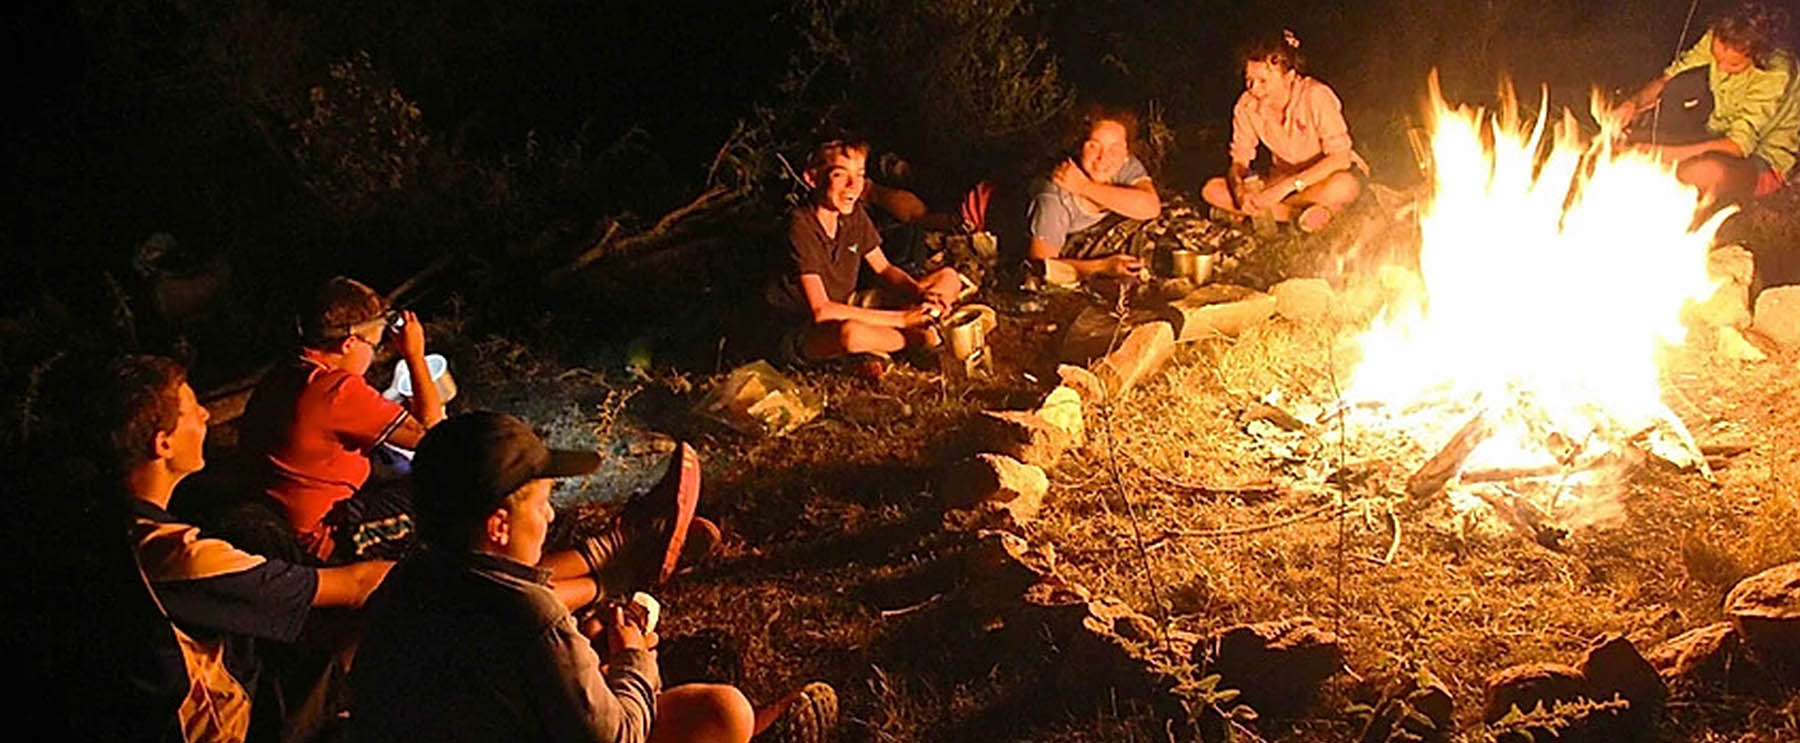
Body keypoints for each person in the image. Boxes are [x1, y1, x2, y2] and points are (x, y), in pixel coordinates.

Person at [348, 411, 839, 743]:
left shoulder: (409, 582)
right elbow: (617, 736)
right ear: (499, 525)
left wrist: (580, 646)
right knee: (725, 712)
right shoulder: (528, 613)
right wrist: (633, 656)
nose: (548, 517)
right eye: (542, 505)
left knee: (717, 712)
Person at [107, 355, 396, 741]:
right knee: (370, 617)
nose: (207, 416)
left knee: (253, 525)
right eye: (193, 410)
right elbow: (356, 586)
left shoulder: (117, 522)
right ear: (163, 443)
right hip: (223, 726)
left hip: (190, 680)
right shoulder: (177, 556)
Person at [237, 275, 445, 563]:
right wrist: (415, 356)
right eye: (373, 346)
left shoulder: (286, 373)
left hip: (277, 516)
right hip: (325, 538)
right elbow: (434, 432)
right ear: (348, 344)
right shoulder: (337, 391)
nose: (372, 356)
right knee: (446, 493)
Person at [765, 138, 966, 366]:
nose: (853, 185)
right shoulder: (800, 226)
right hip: (805, 327)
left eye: (860, 175)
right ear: (812, 178)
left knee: (948, 277)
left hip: (848, 304)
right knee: (851, 335)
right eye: (840, 175)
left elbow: (883, 268)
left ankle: (896, 341)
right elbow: (821, 310)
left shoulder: (853, 214)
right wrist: (902, 319)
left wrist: (920, 293)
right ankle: (918, 339)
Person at [1610, 2, 1798, 204]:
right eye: (1717, 58)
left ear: (1758, 54)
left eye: (1734, 65)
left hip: (1761, 160)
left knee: (1703, 171)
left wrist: (1659, 154)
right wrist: (1633, 104)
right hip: (1716, 134)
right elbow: (1669, 78)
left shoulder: (1775, 72)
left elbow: (1738, 145)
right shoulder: (1719, 38)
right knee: (1624, 143)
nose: (1722, 67)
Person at [1201, 30, 1366, 234]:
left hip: (1323, 177)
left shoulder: (1316, 95)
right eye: (1249, 80)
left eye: (1263, 81)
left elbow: (1340, 158)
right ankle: (1300, 216)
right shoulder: (1246, 106)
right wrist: (1240, 191)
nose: (1254, 89)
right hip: (1283, 179)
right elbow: (1239, 161)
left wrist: (1283, 190)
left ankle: (1274, 213)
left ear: (1289, 76)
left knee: (1343, 187)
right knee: (1212, 190)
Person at [1026, 105, 1164, 286]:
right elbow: (1040, 268)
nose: (1103, 157)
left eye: (1115, 148)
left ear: (1126, 154)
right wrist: (1103, 267)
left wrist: (1084, 187)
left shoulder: (1123, 164)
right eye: (1093, 146)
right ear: (1079, 147)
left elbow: (1151, 207)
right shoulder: (1053, 198)